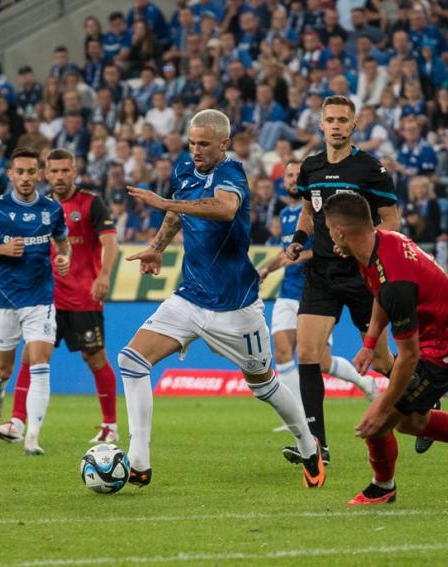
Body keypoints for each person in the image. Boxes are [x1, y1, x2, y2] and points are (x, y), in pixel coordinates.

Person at [120, 110, 325, 489]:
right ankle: (139, 462)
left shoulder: (232, 174)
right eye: (192, 143)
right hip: (190, 297)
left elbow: (223, 208)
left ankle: (308, 446)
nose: (196, 150)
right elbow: (178, 218)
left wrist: (165, 203)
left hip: (236, 308)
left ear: (224, 144)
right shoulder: (183, 170)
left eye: (204, 144)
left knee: (264, 385)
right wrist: (155, 247)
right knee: (131, 360)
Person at [322, 191, 448, 505]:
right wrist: (370, 343)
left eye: (331, 230)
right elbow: (381, 295)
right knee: (413, 423)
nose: (331, 238)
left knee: (378, 424)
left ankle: (383, 487)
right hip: (436, 336)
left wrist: (381, 406)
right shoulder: (379, 244)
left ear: (341, 230)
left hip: (447, 345)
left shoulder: (395, 277)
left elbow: (409, 355)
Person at [283, 95, 399, 465]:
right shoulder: (310, 167)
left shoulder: (370, 169)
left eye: (342, 120)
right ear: (321, 124)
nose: (336, 125)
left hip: (361, 275)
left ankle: (420, 394)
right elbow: (307, 210)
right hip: (321, 275)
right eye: (330, 119)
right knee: (307, 352)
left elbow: (391, 220)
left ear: (354, 125)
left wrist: (373, 255)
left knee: (382, 361)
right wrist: (299, 240)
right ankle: (316, 445)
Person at [0, 148, 121, 445]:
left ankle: (110, 425)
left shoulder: (91, 203)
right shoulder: (38, 207)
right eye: (54, 171)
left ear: (74, 171)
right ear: (45, 174)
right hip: (45, 299)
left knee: (95, 357)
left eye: (65, 170)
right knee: (30, 355)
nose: (60, 176)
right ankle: (16, 422)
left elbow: (111, 244)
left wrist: (104, 276)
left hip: (83, 297)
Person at [257, 160, 378, 437]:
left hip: (316, 289)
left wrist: (301, 256)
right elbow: (287, 253)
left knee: (319, 361)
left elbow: (322, 250)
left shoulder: (322, 214)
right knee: (283, 348)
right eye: (287, 175)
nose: (290, 179)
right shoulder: (288, 215)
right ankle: (296, 416)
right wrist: (266, 269)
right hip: (289, 292)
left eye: (294, 175)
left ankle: (366, 384)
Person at [0, 147, 71, 456]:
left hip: (40, 300)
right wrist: (1, 250)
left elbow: (62, 241)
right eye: (20, 172)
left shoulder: (51, 209)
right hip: (3, 301)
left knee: (41, 363)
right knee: (3, 370)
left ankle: (32, 438)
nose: (26, 178)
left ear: (39, 174)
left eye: (31, 172)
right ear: (10, 175)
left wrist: (64, 257)